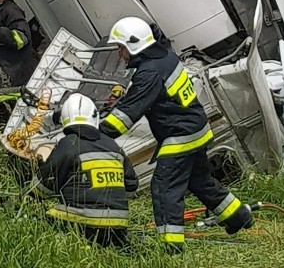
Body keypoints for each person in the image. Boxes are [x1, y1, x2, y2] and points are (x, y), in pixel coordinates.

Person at [101, 17, 253, 252]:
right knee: (200, 181)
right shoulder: (165, 56)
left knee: (164, 189)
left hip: (180, 135)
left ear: (133, 45)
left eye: (121, 48)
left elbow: (124, 119)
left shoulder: (148, 73)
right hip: (196, 128)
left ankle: (171, 248)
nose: (120, 54)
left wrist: (94, 130)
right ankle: (238, 216)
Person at [34, 92, 138, 248]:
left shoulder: (69, 144)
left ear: (64, 119)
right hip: (119, 225)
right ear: (94, 117)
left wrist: (24, 196)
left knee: (38, 218)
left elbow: (42, 187)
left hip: (83, 225)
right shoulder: (113, 145)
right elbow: (131, 187)